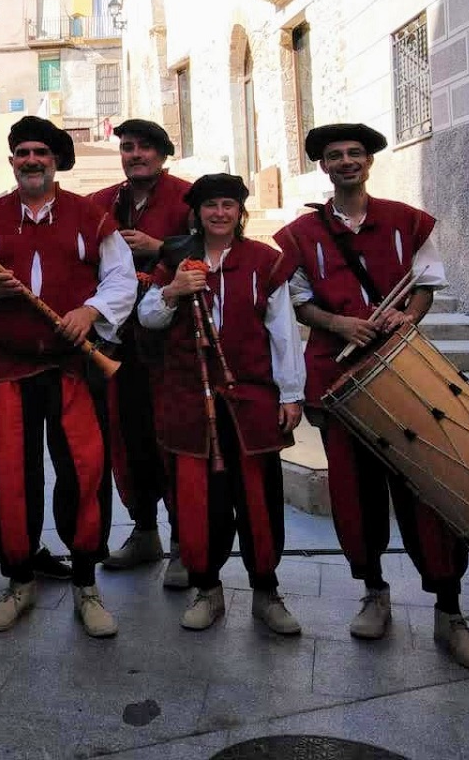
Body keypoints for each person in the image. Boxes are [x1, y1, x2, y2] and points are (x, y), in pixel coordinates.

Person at [274, 123, 469, 672]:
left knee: (429, 490)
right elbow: (300, 303)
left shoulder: (406, 221)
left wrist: (405, 316)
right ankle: (373, 593)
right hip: (337, 377)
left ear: (368, 161)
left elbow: (426, 284)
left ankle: (450, 612)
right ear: (323, 167)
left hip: (403, 373)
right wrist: (340, 324)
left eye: (355, 153)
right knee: (354, 492)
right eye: (334, 156)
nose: (346, 161)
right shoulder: (301, 233)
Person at [0, 116, 138, 638]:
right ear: (12, 161)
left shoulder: (89, 215)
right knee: (10, 474)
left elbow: (121, 278)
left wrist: (90, 312)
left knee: (84, 470)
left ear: (55, 161)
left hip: (71, 365)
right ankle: (19, 580)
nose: (32, 160)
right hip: (8, 366)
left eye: (41, 153)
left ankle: (85, 583)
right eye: (23, 152)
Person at [137, 173, 305, 634]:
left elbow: (283, 332)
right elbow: (147, 317)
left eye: (228, 205)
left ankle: (266, 592)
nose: (219, 213)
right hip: (189, 399)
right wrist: (173, 291)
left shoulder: (265, 261)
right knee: (197, 500)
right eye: (210, 205)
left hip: (250, 398)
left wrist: (290, 393)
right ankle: (207, 589)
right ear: (197, 212)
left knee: (258, 498)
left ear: (240, 212)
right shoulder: (174, 256)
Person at [88, 119, 193, 583]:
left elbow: (216, 241)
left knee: (172, 436)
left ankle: (183, 543)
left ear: (163, 153)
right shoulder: (105, 202)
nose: (135, 155)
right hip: (122, 341)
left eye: (145, 147)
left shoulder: (190, 196)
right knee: (129, 436)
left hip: (174, 342)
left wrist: (159, 246)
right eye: (127, 147)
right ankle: (145, 530)